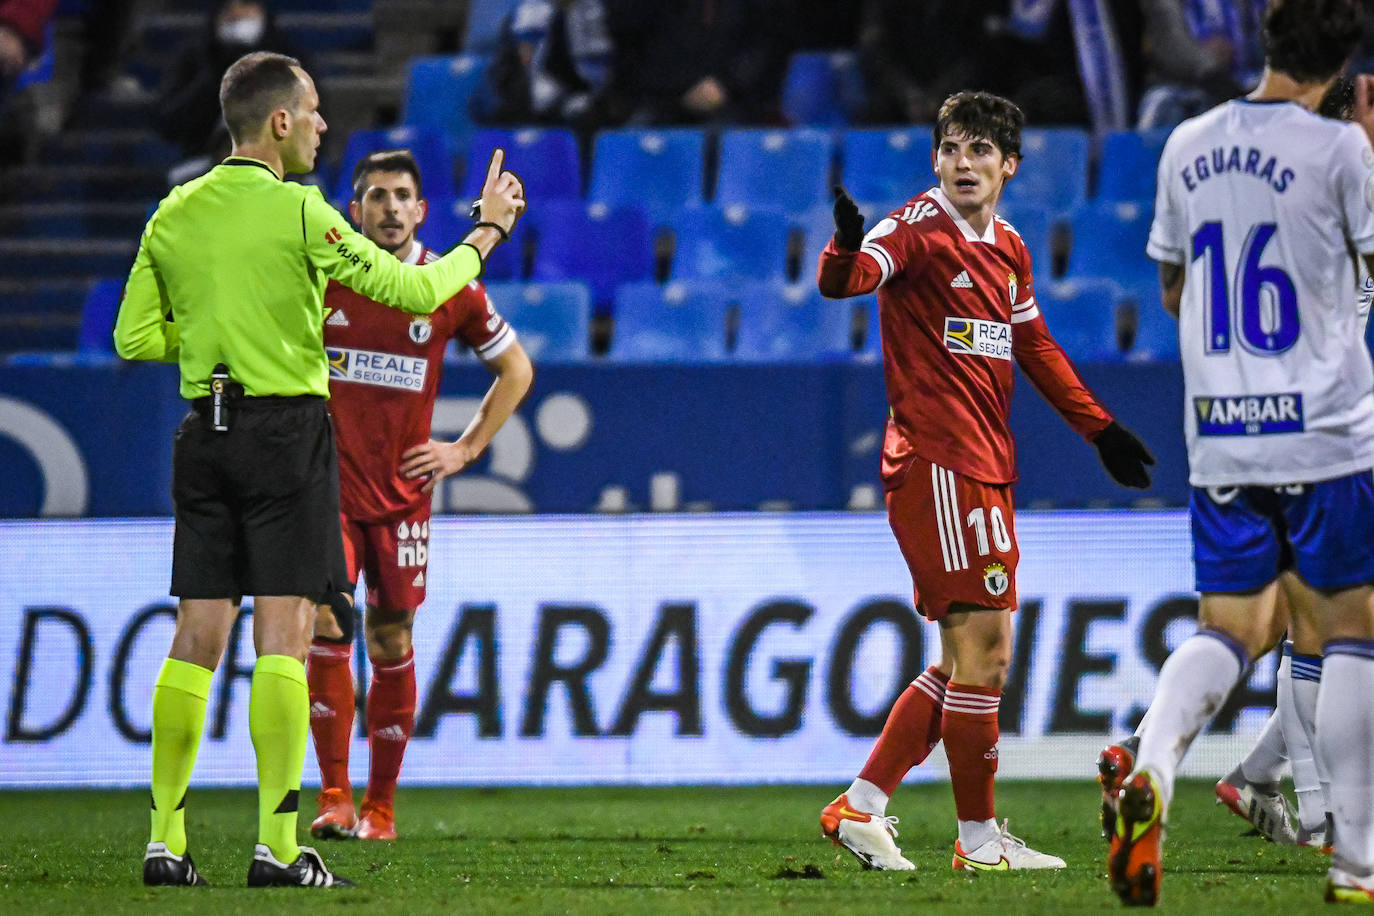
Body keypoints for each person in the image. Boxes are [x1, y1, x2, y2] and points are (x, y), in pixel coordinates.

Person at [112, 50, 526, 888]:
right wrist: (486, 231)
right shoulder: (303, 213)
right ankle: (276, 845)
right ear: (279, 122)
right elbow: (417, 292)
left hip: (204, 432)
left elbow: (132, 339)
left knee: (196, 637)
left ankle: (165, 840)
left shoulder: (172, 214)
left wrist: (218, 344)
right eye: (312, 112)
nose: (322, 125)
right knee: (287, 636)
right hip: (290, 437)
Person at [814, 89, 1156, 872]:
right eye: (952, 148)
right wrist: (841, 250)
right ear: (935, 158)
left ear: (1010, 166)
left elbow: (1033, 345)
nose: (964, 163)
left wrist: (1097, 427)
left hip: (984, 466)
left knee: (964, 661)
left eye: (980, 151)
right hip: (938, 462)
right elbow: (855, 277)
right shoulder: (915, 229)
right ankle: (977, 842)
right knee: (988, 655)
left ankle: (861, 808)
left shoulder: (1007, 245)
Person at [1105, 0, 1374, 904]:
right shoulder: (1342, 149)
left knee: (1233, 629)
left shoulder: (1186, 143)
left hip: (1221, 433)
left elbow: (1176, 290)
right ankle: (1357, 858)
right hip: (1326, 431)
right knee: (1350, 631)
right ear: (1344, 62)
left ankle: (1155, 765)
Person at [305, 149, 534, 842]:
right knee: (327, 625)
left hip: (404, 495)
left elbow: (516, 370)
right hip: (331, 490)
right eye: (376, 196)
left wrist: (465, 448)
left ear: (423, 210)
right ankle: (336, 796)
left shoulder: (450, 286)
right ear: (355, 211)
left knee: (392, 635)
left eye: (403, 195)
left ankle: (381, 808)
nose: (391, 208)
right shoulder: (324, 279)